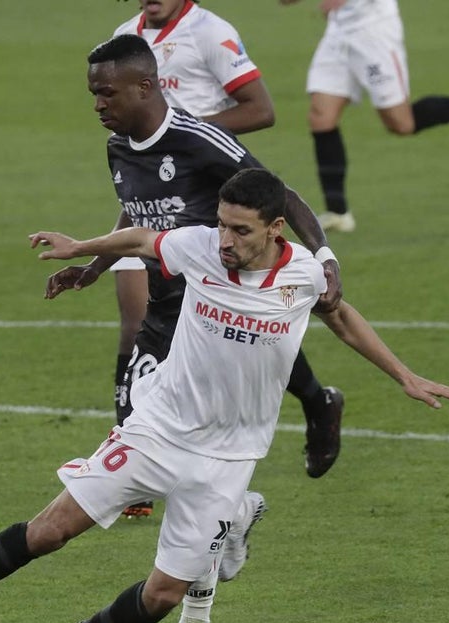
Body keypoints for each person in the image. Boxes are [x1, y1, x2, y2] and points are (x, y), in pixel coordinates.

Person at [0, 167, 449, 623]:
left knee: (164, 595)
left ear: (275, 230)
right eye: (221, 224)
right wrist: (82, 250)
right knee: (49, 530)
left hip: (229, 458)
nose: (225, 240)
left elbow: (341, 319)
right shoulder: (197, 247)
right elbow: (141, 235)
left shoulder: (303, 277)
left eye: (241, 230)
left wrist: (404, 375)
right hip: (158, 429)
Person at [44, 32, 344, 623]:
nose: (97, 102)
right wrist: (92, 267)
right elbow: (136, 218)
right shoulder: (118, 143)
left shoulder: (202, 100)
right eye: (93, 93)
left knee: (177, 471)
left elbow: (276, 185)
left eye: (105, 92)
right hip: (164, 312)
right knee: (162, 466)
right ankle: (229, 520)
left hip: (212, 305)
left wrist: (323, 253)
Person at [107, 3, 344, 517]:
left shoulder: (209, 32)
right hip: (150, 206)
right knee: (136, 322)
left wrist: (183, 132)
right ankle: (132, 468)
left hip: (214, 211)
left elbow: (260, 110)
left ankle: (315, 399)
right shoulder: (125, 39)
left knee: (243, 330)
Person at [280, 0, 449, 232]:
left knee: (401, 123)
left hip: (373, 30)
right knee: (321, 116)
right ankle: (338, 212)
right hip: (339, 30)